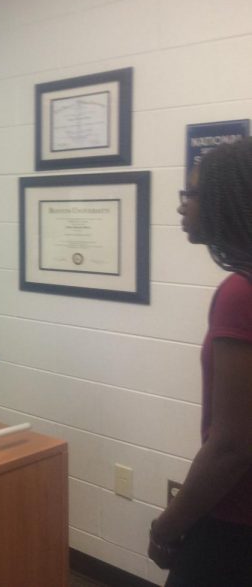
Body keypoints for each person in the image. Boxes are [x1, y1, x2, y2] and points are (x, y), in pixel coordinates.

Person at [149, 140, 252, 585]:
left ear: (223, 199)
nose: (181, 207)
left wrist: (168, 525)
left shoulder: (240, 293)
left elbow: (232, 445)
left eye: (190, 194)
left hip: (236, 523)